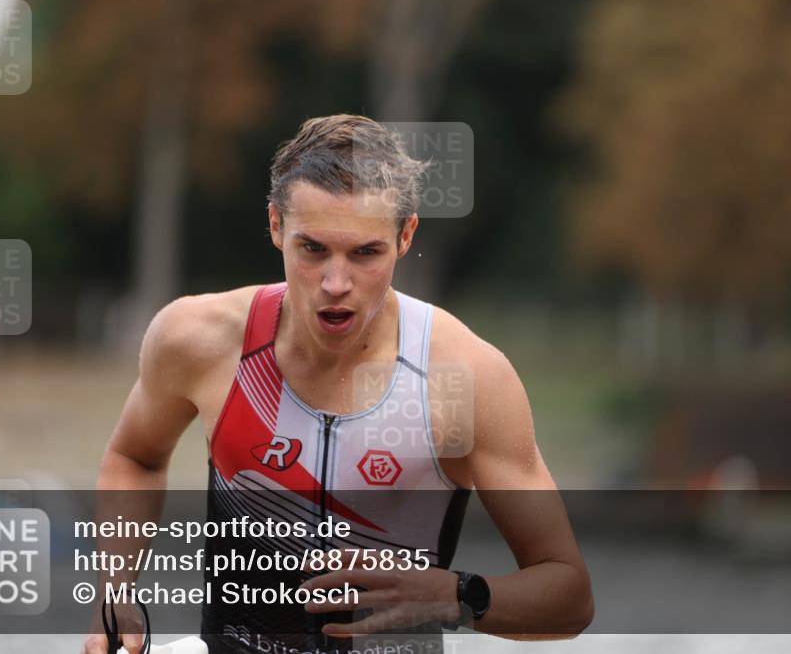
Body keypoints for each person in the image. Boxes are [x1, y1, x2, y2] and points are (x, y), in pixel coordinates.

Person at [81, 114, 593, 654]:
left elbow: (568, 594)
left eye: (365, 253)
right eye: (313, 249)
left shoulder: (466, 377)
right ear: (277, 225)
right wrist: (115, 590)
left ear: (405, 235)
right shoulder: (199, 339)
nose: (336, 284)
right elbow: (135, 456)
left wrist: (456, 594)